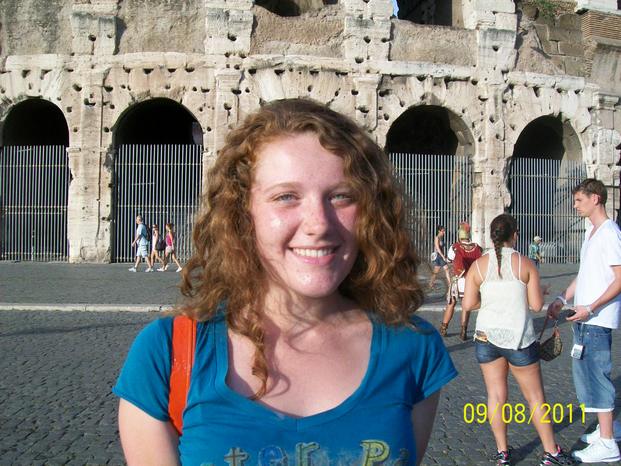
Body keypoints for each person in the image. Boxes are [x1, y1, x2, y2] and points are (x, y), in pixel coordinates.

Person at [113, 98, 458, 465]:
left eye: (341, 196)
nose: (318, 223)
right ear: (243, 213)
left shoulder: (414, 349)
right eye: (286, 197)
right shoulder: (167, 354)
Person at [462, 214, 574, 466]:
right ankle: (551, 452)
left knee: (495, 396)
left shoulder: (478, 265)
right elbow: (536, 306)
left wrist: (492, 300)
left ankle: (502, 453)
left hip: (486, 336)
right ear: (515, 235)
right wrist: (534, 292)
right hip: (518, 339)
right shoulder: (526, 264)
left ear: (492, 236)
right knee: (535, 398)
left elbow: (468, 304)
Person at [547, 178, 621, 463]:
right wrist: (561, 298)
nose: (575, 206)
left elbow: (619, 279)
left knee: (598, 375)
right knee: (587, 374)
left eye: (579, 200)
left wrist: (591, 307)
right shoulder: (591, 231)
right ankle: (607, 429)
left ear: (596, 199)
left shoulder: (610, 233)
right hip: (584, 315)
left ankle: (607, 443)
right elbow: (584, 274)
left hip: (596, 318)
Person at [438, 222, 482, 339]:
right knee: (466, 306)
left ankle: (443, 328)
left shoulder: (455, 247)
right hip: (471, 281)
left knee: (451, 303)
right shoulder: (477, 247)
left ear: (459, 235)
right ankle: (463, 331)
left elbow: (449, 260)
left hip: (458, 280)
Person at [428, 225, 451, 292]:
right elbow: (437, 248)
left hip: (440, 256)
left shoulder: (440, 238)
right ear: (439, 231)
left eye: (444, 231)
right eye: (443, 231)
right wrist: (443, 256)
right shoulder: (437, 238)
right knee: (446, 269)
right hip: (439, 256)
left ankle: (430, 284)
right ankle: (450, 284)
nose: (444, 232)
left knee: (436, 271)